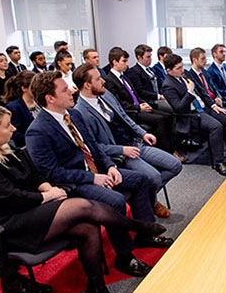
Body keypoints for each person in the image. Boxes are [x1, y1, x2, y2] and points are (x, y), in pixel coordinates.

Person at [0, 104, 167, 293]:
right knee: (82, 207)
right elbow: (11, 198)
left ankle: (97, 290)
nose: (14, 128)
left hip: (22, 212)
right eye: (7, 126)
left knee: (87, 228)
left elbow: (33, 174)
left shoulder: (3, 151)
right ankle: (137, 227)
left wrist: (44, 187)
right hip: (4, 228)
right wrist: (47, 196)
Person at [25, 71, 174, 277]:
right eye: (64, 89)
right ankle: (125, 257)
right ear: (50, 99)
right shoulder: (38, 130)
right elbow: (52, 172)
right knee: (115, 200)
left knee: (141, 179)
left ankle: (144, 234)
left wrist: (111, 166)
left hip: (98, 171)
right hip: (75, 183)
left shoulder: (73, 115)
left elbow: (94, 148)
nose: (71, 91)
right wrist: (93, 178)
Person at [72, 63, 182, 219]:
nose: (103, 81)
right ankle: (151, 201)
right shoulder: (80, 113)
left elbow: (124, 117)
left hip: (135, 143)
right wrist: (122, 150)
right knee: (154, 177)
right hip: (119, 154)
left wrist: (143, 133)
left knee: (175, 165)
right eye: (98, 79)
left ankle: (148, 198)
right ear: (87, 85)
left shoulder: (105, 94)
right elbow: (94, 147)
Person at [161, 54, 226, 176]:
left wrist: (214, 106)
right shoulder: (167, 85)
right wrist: (189, 92)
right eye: (178, 68)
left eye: (182, 66)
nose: (182, 70)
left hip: (205, 107)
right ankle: (219, 162)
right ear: (169, 71)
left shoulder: (184, 75)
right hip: (192, 115)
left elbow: (203, 92)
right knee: (216, 126)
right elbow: (179, 108)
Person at [105, 47, 179, 160]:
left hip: (138, 106)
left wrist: (143, 103)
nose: (127, 64)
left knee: (169, 116)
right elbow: (119, 104)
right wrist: (139, 107)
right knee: (160, 119)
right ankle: (167, 152)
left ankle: (172, 148)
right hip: (131, 112)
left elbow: (135, 94)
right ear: (114, 62)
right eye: (124, 61)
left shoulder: (123, 76)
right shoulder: (110, 80)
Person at [124, 44, 174, 114]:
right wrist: (158, 96)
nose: (150, 59)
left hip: (158, 99)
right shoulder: (134, 72)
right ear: (139, 57)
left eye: (150, 56)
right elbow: (140, 91)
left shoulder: (151, 70)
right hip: (149, 101)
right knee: (173, 108)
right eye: (148, 57)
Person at [3, 70, 39, 147]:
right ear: (24, 88)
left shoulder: (40, 102)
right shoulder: (14, 108)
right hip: (29, 146)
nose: (37, 88)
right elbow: (15, 134)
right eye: (34, 86)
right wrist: (37, 138)